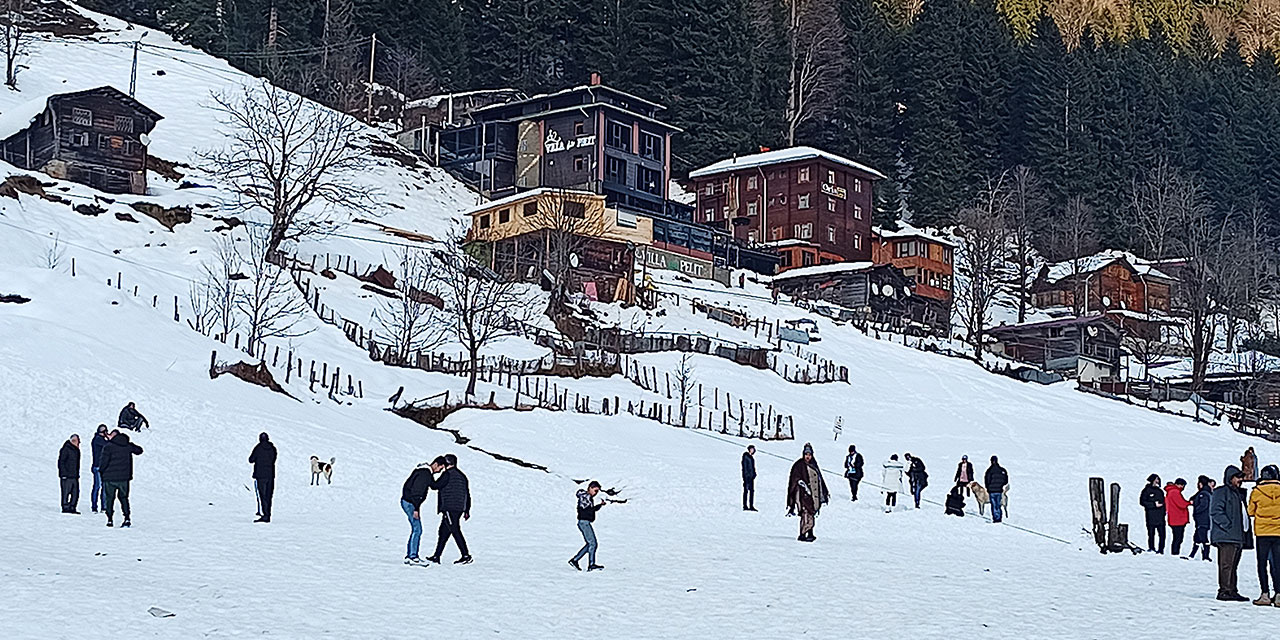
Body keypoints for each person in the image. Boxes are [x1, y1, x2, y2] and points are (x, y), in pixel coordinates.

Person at [1210, 465, 1250, 602]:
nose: (1240, 480)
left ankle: (1232, 590)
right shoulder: (1221, 492)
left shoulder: (1238, 493)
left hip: (1237, 535)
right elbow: (1215, 511)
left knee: (1233, 565)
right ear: (1230, 478)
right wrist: (1227, 525)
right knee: (1226, 565)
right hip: (1227, 535)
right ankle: (1224, 591)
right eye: (1238, 477)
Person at [426, 454, 472, 564]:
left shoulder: (447, 474)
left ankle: (466, 555)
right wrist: (467, 510)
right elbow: (467, 494)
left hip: (450, 507)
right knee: (443, 532)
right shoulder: (462, 476)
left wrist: (428, 474)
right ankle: (436, 556)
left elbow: (435, 486)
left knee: (455, 530)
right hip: (459, 507)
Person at [1248, 464, 1280, 606]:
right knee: (1278, 564)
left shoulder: (1257, 491)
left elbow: (1251, 512)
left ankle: (1265, 594)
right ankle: (1279, 595)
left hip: (1262, 533)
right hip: (1279, 532)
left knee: (1262, 564)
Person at [400, 458, 441, 565]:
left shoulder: (424, 472)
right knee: (417, 529)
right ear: (436, 464)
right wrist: (416, 509)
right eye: (440, 469)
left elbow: (434, 485)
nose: (439, 472)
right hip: (411, 503)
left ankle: (410, 555)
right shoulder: (424, 474)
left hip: (408, 502)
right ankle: (413, 556)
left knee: (416, 529)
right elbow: (417, 492)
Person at [98, 429, 143, 528]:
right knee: (124, 498)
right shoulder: (127, 446)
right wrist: (129, 444)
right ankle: (127, 518)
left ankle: (110, 519)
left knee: (110, 499)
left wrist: (101, 472)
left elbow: (103, 462)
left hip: (110, 478)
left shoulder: (108, 447)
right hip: (124, 478)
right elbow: (139, 450)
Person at [786, 443, 829, 542]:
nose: (808, 457)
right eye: (806, 455)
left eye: (809, 455)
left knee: (811, 513)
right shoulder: (799, 465)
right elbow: (794, 479)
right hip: (802, 494)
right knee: (805, 513)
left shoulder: (814, 464)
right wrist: (801, 485)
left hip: (813, 495)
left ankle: (810, 532)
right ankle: (802, 533)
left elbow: (819, 480)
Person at [570, 480, 607, 571]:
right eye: (595, 491)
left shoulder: (587, 497)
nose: (596, 493)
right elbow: (588, 510)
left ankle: (575, 560)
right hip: (584, 523)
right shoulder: (585, 497)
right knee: (593, 543)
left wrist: (599, 505)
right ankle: (591, 564)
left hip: (584, 522)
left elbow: (590, 509)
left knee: (590, 543)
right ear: (590, 488)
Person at [248, 432, 277, 523]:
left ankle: (264, 515)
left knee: (262, 495)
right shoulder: (272, 448)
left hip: (260, 475)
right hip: (271, 475)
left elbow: (251, 459)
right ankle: (268, 514)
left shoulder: (258, 448)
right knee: (269, 495)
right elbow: (274, 459)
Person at [1188, 476, 1215, 561]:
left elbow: (1203, 505)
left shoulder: (1203, 494)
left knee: (1203, 538)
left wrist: (1196, 510)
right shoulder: (1207, 492)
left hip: (1202, 519)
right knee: (1197, 537)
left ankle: (1205, 556)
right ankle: (1192, 554)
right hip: (1204, 519)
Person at [1140, 474, 1166, 554]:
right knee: (1151, 534)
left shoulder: (1160, 491)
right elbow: (1142, 502)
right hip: (1151, 516)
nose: (1157, 481)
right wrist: (1154, 504)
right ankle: (1151, 547)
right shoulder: (1146, 490)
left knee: (1162, 534)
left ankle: (1161, 550)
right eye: (1156, 480)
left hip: (1160, 516)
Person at [1165, 478, 1190, 556]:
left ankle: (1175, 552)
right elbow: (1181, 504)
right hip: (1178, 519)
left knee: (1176, 537)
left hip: (1173, 519)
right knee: (1178, 538)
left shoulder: (1170, 492)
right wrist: (1189, 503)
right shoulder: (1175, 492)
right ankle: (1175, 552)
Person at [58, 434, 81, 514]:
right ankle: (65, 507)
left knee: (75, 492)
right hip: (67, 476)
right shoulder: (66, 449)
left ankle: (72, 507)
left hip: (74, 475)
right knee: (66, 492)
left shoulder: (76, 450)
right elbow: (61, 462)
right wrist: (63, 474)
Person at [90, 425, 108, 513]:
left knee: (102, 486)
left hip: (101, 466)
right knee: (98, 486)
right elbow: (107, 445)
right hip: (98, 466)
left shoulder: (98, 439)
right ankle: (95, 506)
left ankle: (103, 506)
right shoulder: (98, 439)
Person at [985, 456, 1009, 523]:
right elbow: (1006, 481)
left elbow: (987, 480)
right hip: (999, 490)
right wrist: (1001, 485)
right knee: (998, 504)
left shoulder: (989, 470)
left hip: (992, 491)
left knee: (993, 505)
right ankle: (999, 517)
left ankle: (995, 518)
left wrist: (988, 487)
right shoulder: (1002, 470)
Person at [741, 445, 757, 511]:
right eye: (751, 449)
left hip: (751, 477)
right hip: (747, 477)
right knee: (746, 491)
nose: (752, 450)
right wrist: (746, 476)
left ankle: (751, 505)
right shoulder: (746, 457)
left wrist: (754, 473)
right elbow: (745, 467)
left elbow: (752, 467)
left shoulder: (751, 458)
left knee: (751, 491)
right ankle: (745, 506)